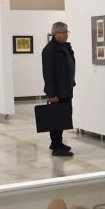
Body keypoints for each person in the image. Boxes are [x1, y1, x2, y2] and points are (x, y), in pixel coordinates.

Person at [42, 22, 75, 157]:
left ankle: (58, 143)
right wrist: (51, 93)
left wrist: (71, 81)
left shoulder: (64, 47)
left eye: (67, 32)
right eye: (63, 32)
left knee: (63, 117)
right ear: (56, 34)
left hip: (66, 88)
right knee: (56, 118)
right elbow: (48, 73)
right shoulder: (50, 50)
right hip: (57, 91)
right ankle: (56, 146)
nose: (66, 34)